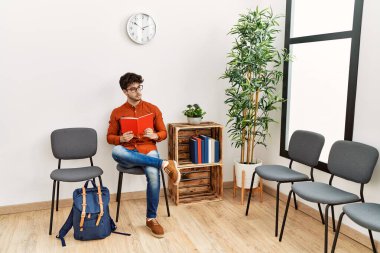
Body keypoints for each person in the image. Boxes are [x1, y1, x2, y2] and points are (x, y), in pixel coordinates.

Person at [107, 72, 180, 238]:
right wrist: (121, 138)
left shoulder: (152, 109)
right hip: (127, 154)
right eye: (133, 89)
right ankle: (164, 164)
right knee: (116, 150)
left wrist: (155, 136)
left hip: (148, 148)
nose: (138, 92)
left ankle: (151, 219)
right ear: (125, 91)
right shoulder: (117, 112)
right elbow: (109, 138)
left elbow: (163, 133)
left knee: (153, 174)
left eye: (139, 87)